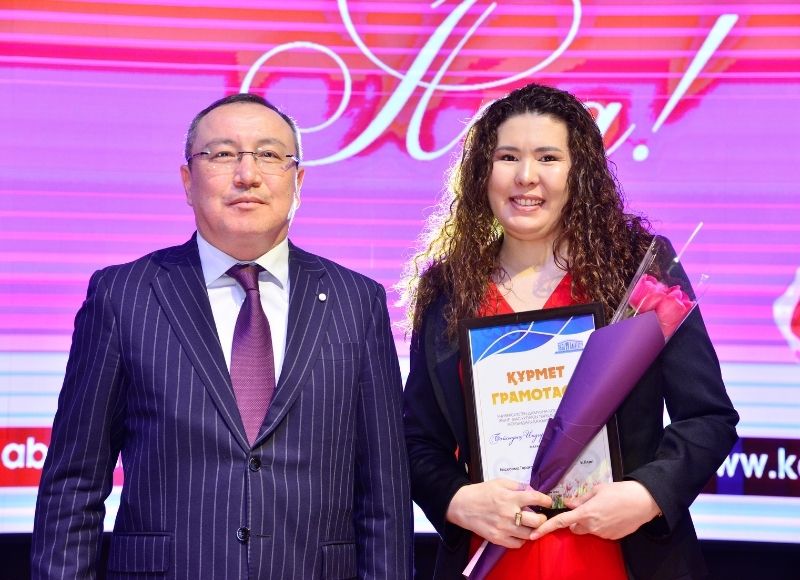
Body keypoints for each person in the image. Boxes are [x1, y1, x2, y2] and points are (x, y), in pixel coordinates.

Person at [31, 93, 413, 579]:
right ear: (187, 181)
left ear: (298, 182)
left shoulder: (357, 301)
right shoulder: (122, 295)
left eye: (269, 154)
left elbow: (384, 494)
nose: (247, 174)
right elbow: (74, 484)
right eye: (223, 154)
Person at [400, 83, 739, 579]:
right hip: (495, 559)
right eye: (507, 157)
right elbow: (416, 440)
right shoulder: (447, 289)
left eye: (548, 157)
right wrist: (457, 500)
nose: (526, 176)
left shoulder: (637, 272)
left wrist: (647, 494)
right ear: (481, 173)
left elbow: (709, 417)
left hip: (621, 558)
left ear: (578, 171)